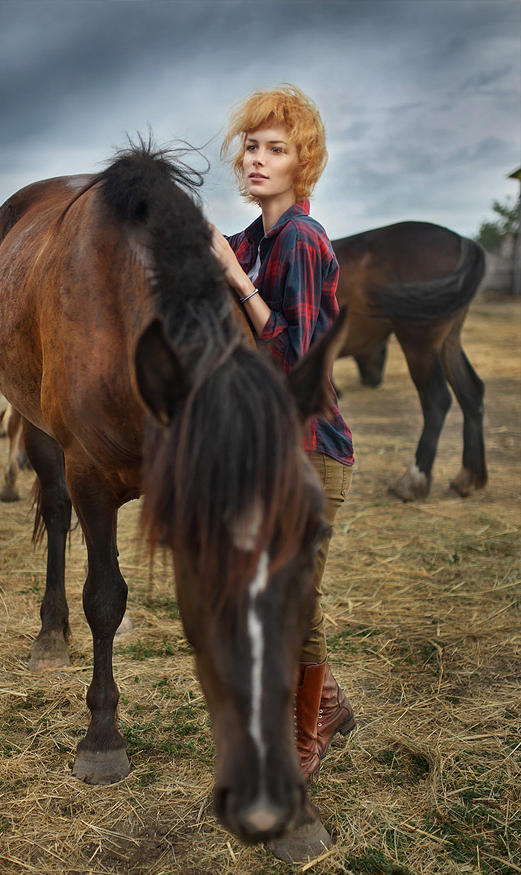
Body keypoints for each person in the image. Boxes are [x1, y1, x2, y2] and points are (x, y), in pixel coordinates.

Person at [211, 83, 356, 782]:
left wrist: (238, 280)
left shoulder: (298, 239)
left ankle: (305, 738)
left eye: (276, 149)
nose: (257, 159)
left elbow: (300, 359)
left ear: (303, 165)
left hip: (310, 447)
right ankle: (325, 700)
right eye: (251, 146)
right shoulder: (252, 238)